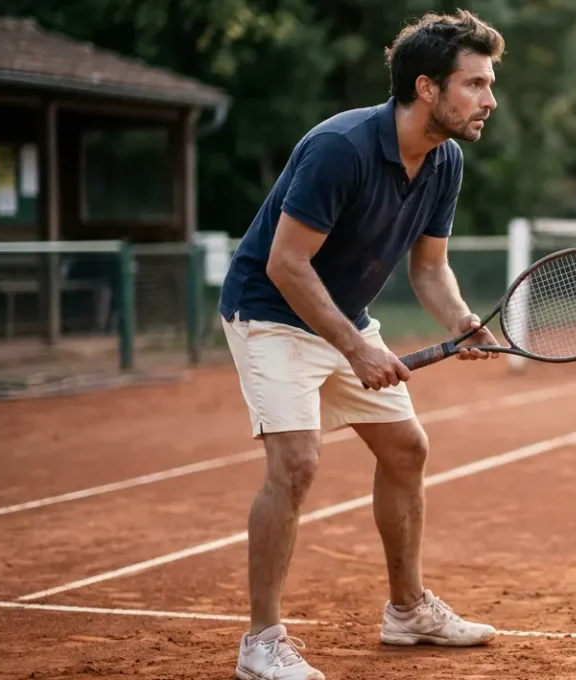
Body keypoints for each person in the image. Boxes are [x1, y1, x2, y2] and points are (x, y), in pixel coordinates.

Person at [216, 10, 505, 680]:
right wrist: (356, 348)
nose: (490, 99)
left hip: (340, 312)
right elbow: (286, 264)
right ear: (428, 88)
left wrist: (461, 320)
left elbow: (429, 268)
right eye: (476, 83)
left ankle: (407, 612)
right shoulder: (340, 148)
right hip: (269, 312)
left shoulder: (445, 160)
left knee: (407, 448)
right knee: (296, 463)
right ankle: (261, 644)